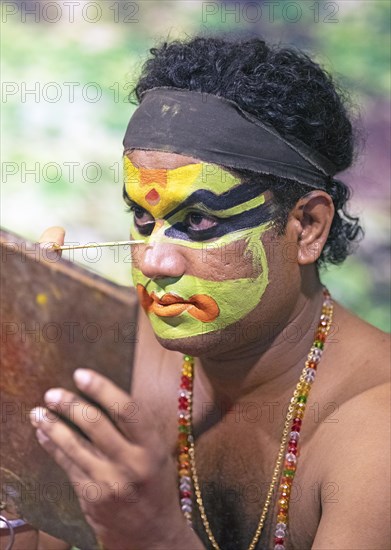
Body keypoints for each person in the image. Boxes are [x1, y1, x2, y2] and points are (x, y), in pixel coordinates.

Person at [31, 37, 389, 550]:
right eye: (141, 217)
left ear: (307, 227)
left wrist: (155, 535)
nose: (155, 261)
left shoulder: (376, 432)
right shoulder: (111, 352)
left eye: (198, 221)